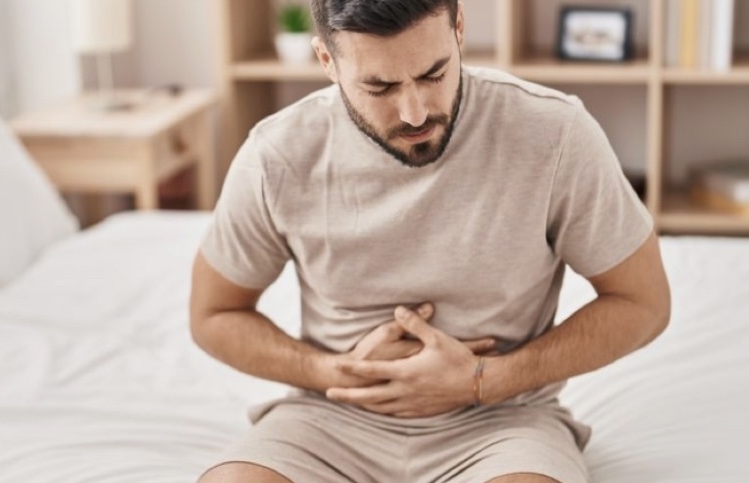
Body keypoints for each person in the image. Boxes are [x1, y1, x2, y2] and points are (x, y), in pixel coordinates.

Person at [189, 0, 671, 481]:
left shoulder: (554, 132)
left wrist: (485, 379)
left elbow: (643, 302)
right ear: (327, 61)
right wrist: (332, 372)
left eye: (434, 74)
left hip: (503, 421)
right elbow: (213, 313)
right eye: (380, 87)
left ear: (459, 29)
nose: (415, 112)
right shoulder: (277, 153)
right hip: (329, 416)